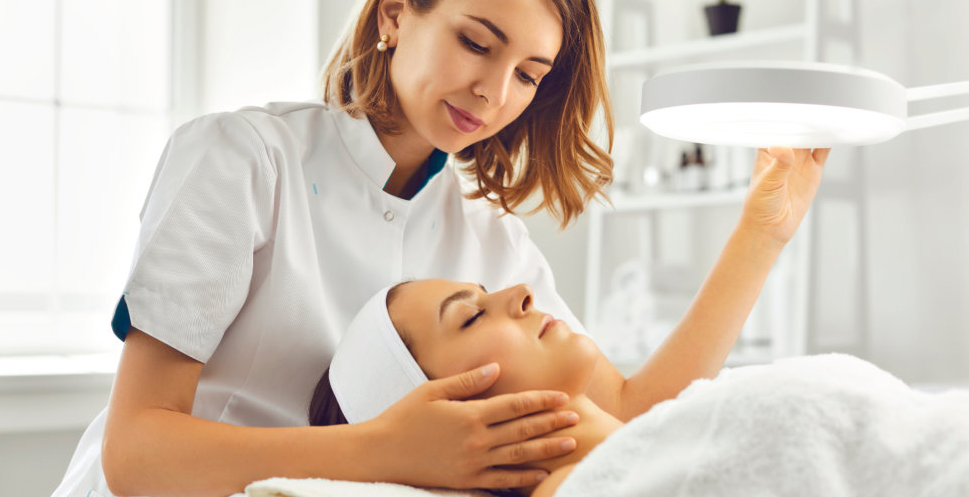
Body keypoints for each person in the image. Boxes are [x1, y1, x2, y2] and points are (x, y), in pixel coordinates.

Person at [50, 0, 831, 495]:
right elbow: (138, 453)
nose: (494, 93)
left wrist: (763, 229)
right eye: (476, 43)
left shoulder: (492, 242)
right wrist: (383, 451)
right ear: (396, 13)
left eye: (529, 74)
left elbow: (630, 413)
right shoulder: (243, 160)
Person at [308, 146, 830, 497]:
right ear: (448, 419)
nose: (521, 293)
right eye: (471, 317)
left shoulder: (648, 452)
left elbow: (638, 410)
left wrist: (762, 233)